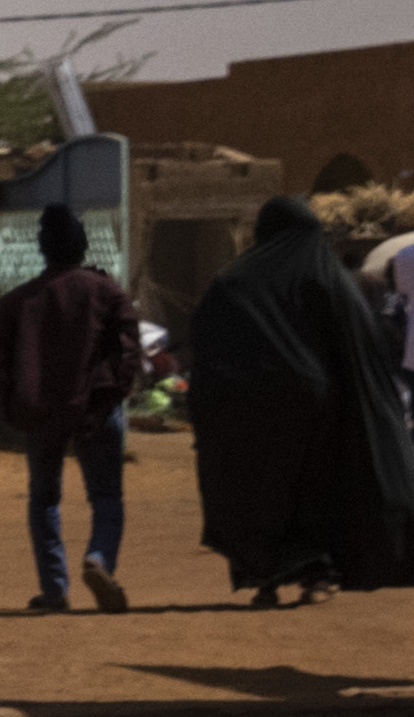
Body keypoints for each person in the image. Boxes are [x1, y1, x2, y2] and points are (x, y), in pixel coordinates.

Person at [174, 197, 414, 609]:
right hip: (315, 406)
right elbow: (361, 349)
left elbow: (209, 346)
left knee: (255, 487)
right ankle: (318, 572)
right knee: (316, 490)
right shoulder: (330, 278)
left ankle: (265, 575)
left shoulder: (233, 279)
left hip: (246, 406)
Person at [0, 202, 140, 615]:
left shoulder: (17, 303)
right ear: (81, 245)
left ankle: (54, 590)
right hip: (96, 411)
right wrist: (107, 397)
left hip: (41, 415)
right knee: (106, 496)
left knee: (44, 499)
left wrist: (16, 409)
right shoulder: (107, 292)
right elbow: (127, 353)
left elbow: (0, 364)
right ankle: (99, 559)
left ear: (43, 248)